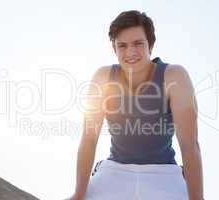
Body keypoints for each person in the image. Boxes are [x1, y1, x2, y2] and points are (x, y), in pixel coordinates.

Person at [68, 10, 204, 200]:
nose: (130, 52)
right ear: (114, 49)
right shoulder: (103, 78)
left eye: (138, 43)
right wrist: (79, 193)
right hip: (115, 170)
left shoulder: (174, 76)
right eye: (122, 46)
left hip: (164, 173)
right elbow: (89, 140)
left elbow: (190, 145)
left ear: (151, 45)